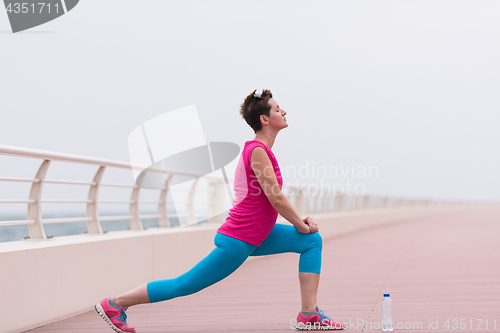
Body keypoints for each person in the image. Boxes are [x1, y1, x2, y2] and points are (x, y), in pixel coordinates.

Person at [95, 89, 345, 332]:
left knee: (312, 240)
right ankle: (115, 304)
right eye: (278, 109)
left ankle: (308, 314)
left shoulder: (260, 151)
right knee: (184, 285)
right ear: (265, 119)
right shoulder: (257, 151)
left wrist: (299, 221)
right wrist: (298, 224)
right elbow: (275, 197)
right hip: (240, 238)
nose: (285, 111)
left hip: (258, 234)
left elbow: (267, 199)